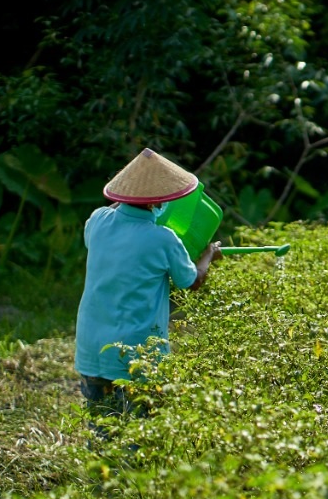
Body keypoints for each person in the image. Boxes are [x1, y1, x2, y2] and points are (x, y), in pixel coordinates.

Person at [74, 148, 221, 420]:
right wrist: (209, 254)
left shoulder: (97, 221)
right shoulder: (163, 239)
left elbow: (116, 213)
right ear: (159, 202)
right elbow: (193, 281)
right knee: (140, 437)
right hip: (137, 355)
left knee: (101, 429)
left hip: (91, 349)